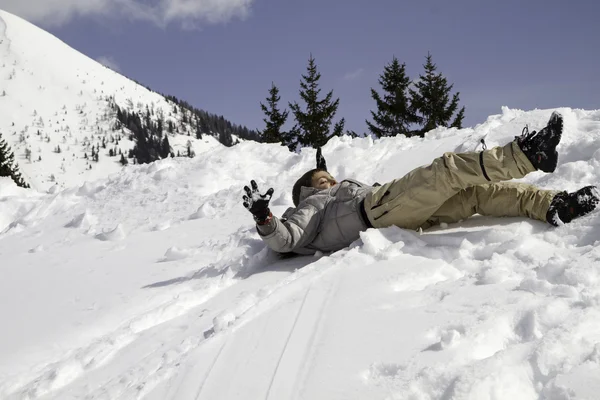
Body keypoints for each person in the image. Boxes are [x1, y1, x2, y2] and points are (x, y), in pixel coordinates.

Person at [242, 112, 599, 255]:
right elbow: (286, 240)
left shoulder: (331, 194)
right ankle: (527, 155)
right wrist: (265, 218)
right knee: (446, 171)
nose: (330, 180)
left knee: (475, 195)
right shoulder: (313, 203)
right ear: (310, 188)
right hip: (378, 211)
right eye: (324, 179)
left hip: (399, 215)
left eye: (330, 177)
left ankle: (552, 206)